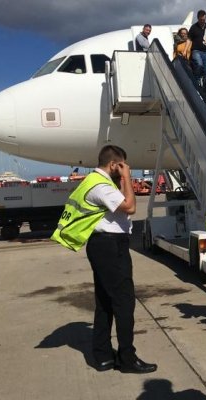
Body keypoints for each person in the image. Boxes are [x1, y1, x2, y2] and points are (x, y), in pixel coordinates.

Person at [51, 145, 157, 374]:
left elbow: (120, 202)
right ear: (113, 165)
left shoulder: (95, 182)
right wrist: (127, 177)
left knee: (105, 302)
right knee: (124, 302)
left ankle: (102, 356)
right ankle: (127, 359)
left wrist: (122, 180)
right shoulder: (100, 186)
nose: (125, 170)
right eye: (122, 165)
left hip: (103, 245)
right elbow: (130, 206)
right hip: (110, 247)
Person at [188, 10, 206, 87]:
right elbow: (189, 39)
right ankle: (197, 80)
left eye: (204, 19)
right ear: (198, 18)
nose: (202, 21)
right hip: (196, 50)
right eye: (201, 19)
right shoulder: (193, 27)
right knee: (199, 64)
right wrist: (186, 50)